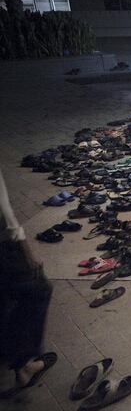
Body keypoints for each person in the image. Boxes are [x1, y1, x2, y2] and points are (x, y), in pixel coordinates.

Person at [0, 167, 56, 394]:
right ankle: (23, 365)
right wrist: (26, 252)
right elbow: (5, 218)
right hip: (4, 249)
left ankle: (9, 355)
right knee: (38, 289)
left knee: (5, 298)